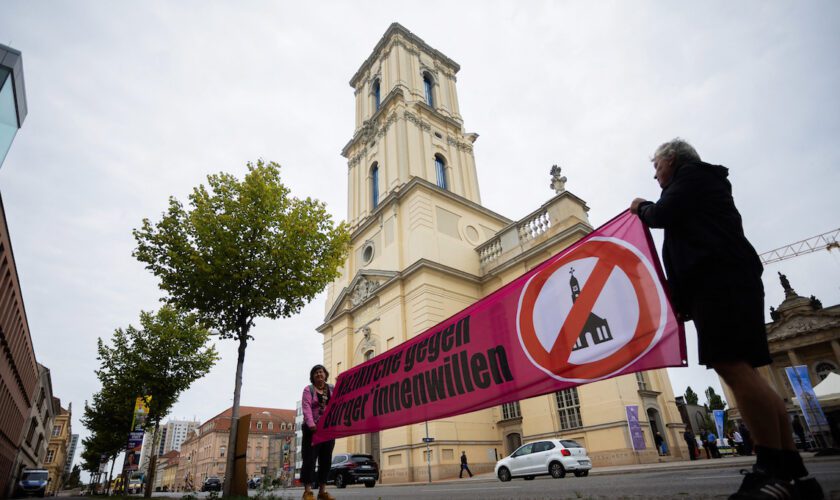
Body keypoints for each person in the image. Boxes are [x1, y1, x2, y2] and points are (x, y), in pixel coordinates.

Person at [631, 138, 822, 499]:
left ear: (671, 161)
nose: (655, 176)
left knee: (731, 366)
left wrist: (641, 207)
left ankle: (771, 468)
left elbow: (662, 215)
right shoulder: (701, 182)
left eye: (656, 168)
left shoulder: (694, 177)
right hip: (726, 282)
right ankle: (795, 475)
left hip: (719, 283)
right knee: (746, 372)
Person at [301, 364, 336, 500]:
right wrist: (311, 424)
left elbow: (342, 397)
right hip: (312, 430)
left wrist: (341, 382)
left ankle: (322, 491)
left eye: (321, 372)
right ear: (312, 377)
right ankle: (308, 491)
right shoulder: (308, 390)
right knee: (309, 459)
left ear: (325, 374)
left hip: (328, 429)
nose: (319, 374)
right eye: (316, 373)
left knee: (326, 460)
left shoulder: (332, 388)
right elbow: (306, 407)